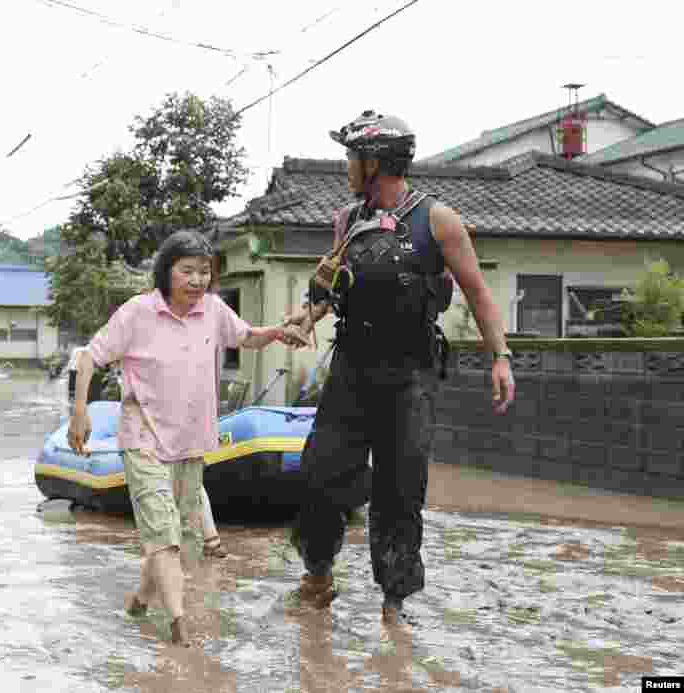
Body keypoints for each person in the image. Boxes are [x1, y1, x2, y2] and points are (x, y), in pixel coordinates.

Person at [280, 110, 515, 625]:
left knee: (400, 490)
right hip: (352, 369)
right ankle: (317, 577)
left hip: (410, 375)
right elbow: (331, 287)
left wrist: (500, 357)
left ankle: (394, 605)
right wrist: (305, 317)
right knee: (319, 476)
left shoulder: (438, 220)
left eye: (352, 157)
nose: (346, 166)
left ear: (376, 162)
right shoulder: (347, 220)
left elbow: (478, 293)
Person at [67, 230, 306, 645]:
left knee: (180, 533)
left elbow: (246, 336)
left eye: (204, 272)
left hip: (191, 441)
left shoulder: (213, 309)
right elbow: (89, 357)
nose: (197, 280)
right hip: (143, 437)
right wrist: (80, 411)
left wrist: (277, 332)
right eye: (187, 271)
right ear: (167, 271)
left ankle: (140, 601)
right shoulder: (138, 312)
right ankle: (179, 623)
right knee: (163, 531)